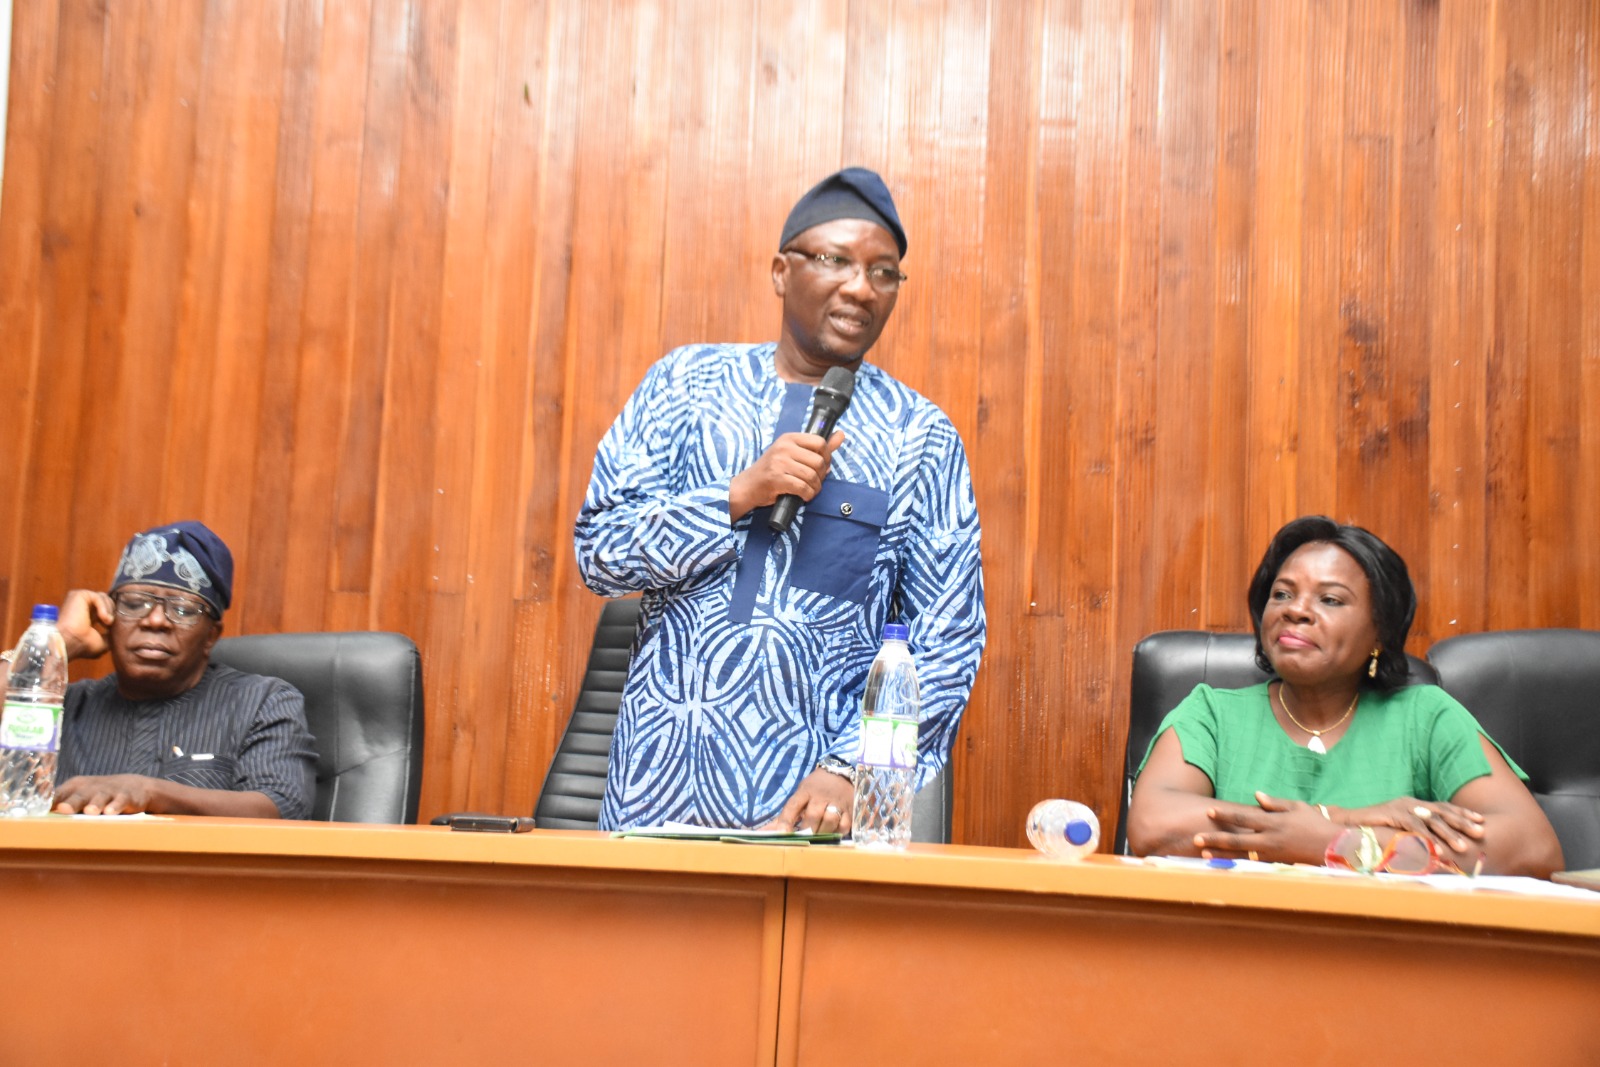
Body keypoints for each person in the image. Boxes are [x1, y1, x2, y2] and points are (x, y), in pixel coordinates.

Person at [574, 167, 986, 833]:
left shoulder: (922, 438)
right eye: (836, 260)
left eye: (885, 273)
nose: (861, 286)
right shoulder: (683, 386)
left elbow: (947, 641)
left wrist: (853, 767)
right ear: (780, 271)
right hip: (652, 809)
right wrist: (739, 494)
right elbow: (600, 551)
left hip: (811, 822)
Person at [1127, 515, 1562, 878]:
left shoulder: (1426, 717)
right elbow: (1153, 826)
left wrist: (1329, 843)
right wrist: (1346, 821)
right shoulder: (1212, 714)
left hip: (1392, 962)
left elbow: (1531, 848)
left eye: (1331, 599)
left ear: (1380, 632)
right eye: (1282, 594)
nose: (1295, 610)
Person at [5, 521, 317, 818]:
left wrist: (152, 792)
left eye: (182, 609)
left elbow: (284, 806)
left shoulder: (261, 702)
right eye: (134, 603)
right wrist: (57, 645)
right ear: (109, 618)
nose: (155, 620)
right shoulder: (65, 705)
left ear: (211, 636)